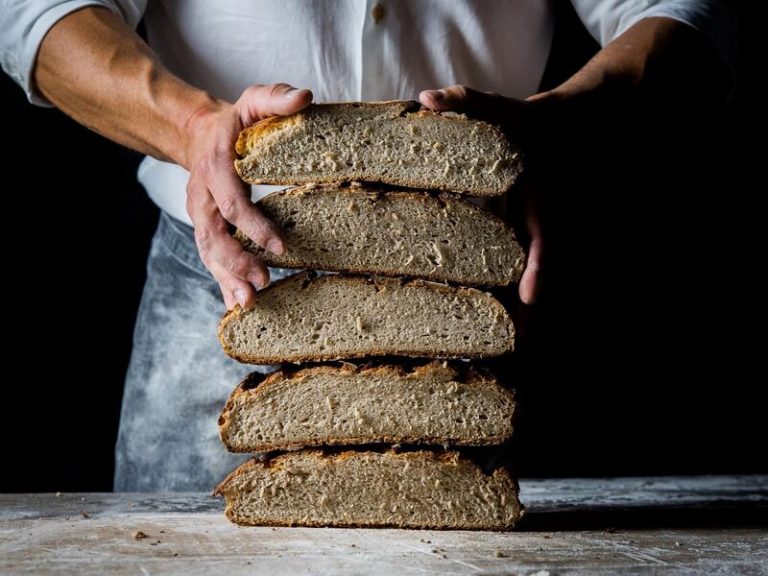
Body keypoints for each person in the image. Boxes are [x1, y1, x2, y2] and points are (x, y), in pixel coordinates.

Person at [0, 1, 733, 491]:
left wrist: (571, 119)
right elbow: (36, 14)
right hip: (228, 285)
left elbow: (698, 12)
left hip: (475, 290)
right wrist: (191, 129)